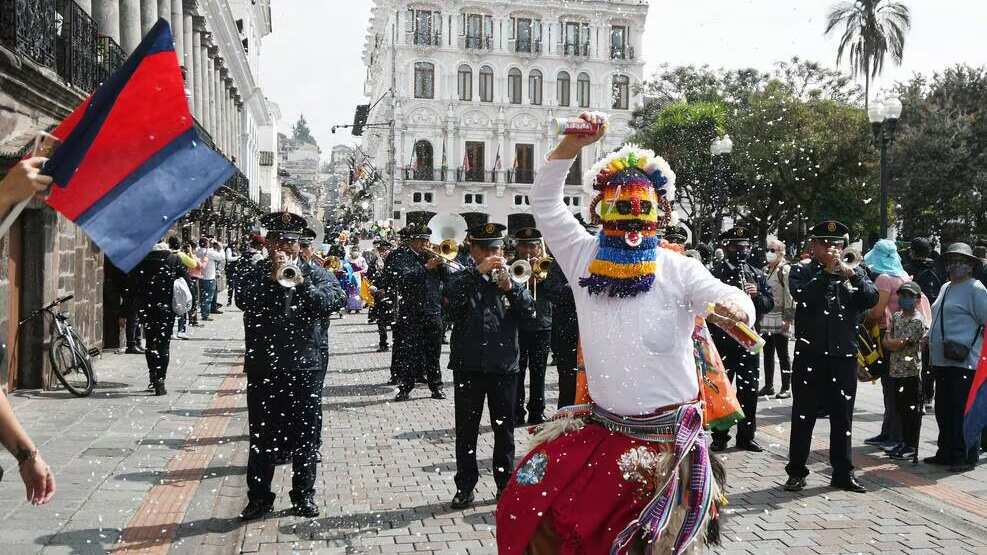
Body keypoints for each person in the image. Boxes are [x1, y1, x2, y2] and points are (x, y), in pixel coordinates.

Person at [497, 113, 753, 553]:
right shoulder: (581, 256)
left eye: (642, 211)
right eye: (621, 209)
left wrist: (736, 306)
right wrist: (569, 149)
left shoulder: (679, 269)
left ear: (659, 213)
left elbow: (726, 294)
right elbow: (545, 203)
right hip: (601, 430)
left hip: (666, 444)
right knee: (529, 510)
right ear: (600, 210)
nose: (632, 223)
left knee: (646, 546)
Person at [236, 212, 345, 521]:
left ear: (300, 245)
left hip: (304, 367)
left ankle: (303, 495)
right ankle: (259, 498)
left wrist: (300, 283)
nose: (283, 247)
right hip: (264, 367)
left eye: (290, 242)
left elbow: (334, 300)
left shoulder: (317, 273)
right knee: (261, 436)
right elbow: (243, 299)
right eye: (278, 240)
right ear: (268, 243)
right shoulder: (255, 272)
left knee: (306, 436)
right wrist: (273, 280)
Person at [445, 223, 536, 509]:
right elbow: (449, 302)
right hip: (469, 365)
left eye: (495, 249)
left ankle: (504, 484)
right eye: (485, 249)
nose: (491, 254)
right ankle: (465, 486)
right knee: (467, 430)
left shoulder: (514, 277)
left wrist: (512, 290)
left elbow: (530, 313)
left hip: (503, 366)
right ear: (473, 250)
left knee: (504, 430)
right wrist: (477, 273)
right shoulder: (463, 275)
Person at [784, 220, 879, 494]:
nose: (831, 249)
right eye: (824, 243)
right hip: (810, 355)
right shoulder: (801, 271)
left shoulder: (855, 270)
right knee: (804, 415)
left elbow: (871, 299)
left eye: (836, 244)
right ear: (812, 246)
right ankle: (797, 471)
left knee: (842, 417)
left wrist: (853, 275)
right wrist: (826, 273)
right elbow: (803, 296)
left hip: (843, 356)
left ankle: (842, 472)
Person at [710, 227, 774, 452]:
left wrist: (757, 296)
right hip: (722, 341)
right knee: (722, 390)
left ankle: (746, 437)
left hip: (748, 342)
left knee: (749, 390)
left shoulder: (755, 272)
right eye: (738, 246)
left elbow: (769, 303)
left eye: (746, 246)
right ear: (727, 247)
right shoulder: (715, 273)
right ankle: (719, 436)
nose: (743, 251)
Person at [926, 243, 987, 472]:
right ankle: (946, 451)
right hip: (942, 359)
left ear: (971, 266)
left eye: (961, 261)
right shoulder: (945, 287)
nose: (956, 265)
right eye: (952, 260)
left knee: (962, 409)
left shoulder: (976, 289)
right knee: (944, 408)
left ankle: (964, 455)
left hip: (964, 360)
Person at [384, 224, 450, 401]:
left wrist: (443, 265)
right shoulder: (401, 256)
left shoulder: (432, 255)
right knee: (409, 351)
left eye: (427, 240)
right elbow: (400, 279)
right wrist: (425, 268)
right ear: (412, 241)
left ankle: (436, 387)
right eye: (421, 240)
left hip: (433, 310)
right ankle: (405, 387)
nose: (425, 244)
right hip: (411, 311)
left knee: (433, 352)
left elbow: (448, 278)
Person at [862, 239, 911, 450]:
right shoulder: (902, 275)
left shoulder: (884, 278)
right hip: (901, 334)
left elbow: (877, 311)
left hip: (885, 334)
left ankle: (893, 434)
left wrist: (861, 318)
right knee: (895, 385)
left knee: (890, 386)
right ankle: (890, 432)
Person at [127, 238, 187, 395]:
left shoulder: (142, 260)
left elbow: (133, 286)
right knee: (164, 345)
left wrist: (128, 309)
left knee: (150, 344)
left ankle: (153, 377)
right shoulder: (174, 259)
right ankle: (161, 379)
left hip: (147, 308)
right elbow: (186, 282)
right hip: (167, 309)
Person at [882, 281, 928, 460]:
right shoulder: (897, 316)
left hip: (910, 372)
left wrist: (891, 341)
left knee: (911, 411)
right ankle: (903, 442)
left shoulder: (917, 320)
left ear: (917, 299)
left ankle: (911, 445)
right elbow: (888, 341)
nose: (904, 299)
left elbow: (895, 344)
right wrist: (891, 341)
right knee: (900, 409)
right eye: (902, 295)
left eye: (909, 296)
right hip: (895, 370)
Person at [511, 227, 553, 426]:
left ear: (539, 247)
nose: (527, 250)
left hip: (542, 325)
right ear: (517, 247)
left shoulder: (548, 266)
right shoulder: (511, 266)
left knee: (539, 372)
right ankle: (516, 411)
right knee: (517, 372)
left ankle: (537, 411)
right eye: (523, 246)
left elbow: (556, 293)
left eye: (532, 246)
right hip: (518, 326)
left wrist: (542, 279)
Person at [909, 237, 945, 408]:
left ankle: (919, 395)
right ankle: (929, 395)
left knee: (917, 358)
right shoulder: (938, 268)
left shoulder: (910, 269)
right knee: (930, 358)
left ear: (913, 252)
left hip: (917, 317)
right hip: (935, 318)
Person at [760, 238, 795, 399]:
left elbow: (789, 296)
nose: (769, 253)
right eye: (768, 250)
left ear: (781, 253)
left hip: (780, 316)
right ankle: (768, 385)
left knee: (782, 353)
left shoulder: (785, 270)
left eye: (773, 250)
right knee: (767, 352)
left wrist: (788, 319)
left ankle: (786, 387)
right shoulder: (766, 270)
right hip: (766, 316)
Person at [542, 257, 579, 409]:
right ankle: (564, 421)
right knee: (568, 384)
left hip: (590, 334)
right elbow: (552, 290)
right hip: (567, 333)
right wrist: (581, 287)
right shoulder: (560, 262)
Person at [366, 240, 395, 352]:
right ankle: (383, 343)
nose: (383, 252)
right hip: (378, 294)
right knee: (381, 321)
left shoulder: (394, 261)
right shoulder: (374, 262)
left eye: (385, 250)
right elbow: (369, 276)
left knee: (394, 320)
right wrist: (373, 286)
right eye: (381, 250)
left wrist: (389, 289)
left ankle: (396, 342)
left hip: (391, 294)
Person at [169, 236, 198, 340]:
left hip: (170, 283)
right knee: (182, 306)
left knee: (172, 306)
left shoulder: (169, 254)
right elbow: (193, 264)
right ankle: (181, 330)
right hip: (181, 283)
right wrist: (190, 252)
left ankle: (171, 331)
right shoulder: (181, 255)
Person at [195, 238, 224, 321]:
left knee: (202, 296)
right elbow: (221, 257)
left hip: (201, 277)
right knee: (208, 298)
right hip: (209, 277)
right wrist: (221, 248)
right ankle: (205, 315)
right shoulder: (209, 253)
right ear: (207, 244)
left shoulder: (198, 251)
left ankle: (203, 312)